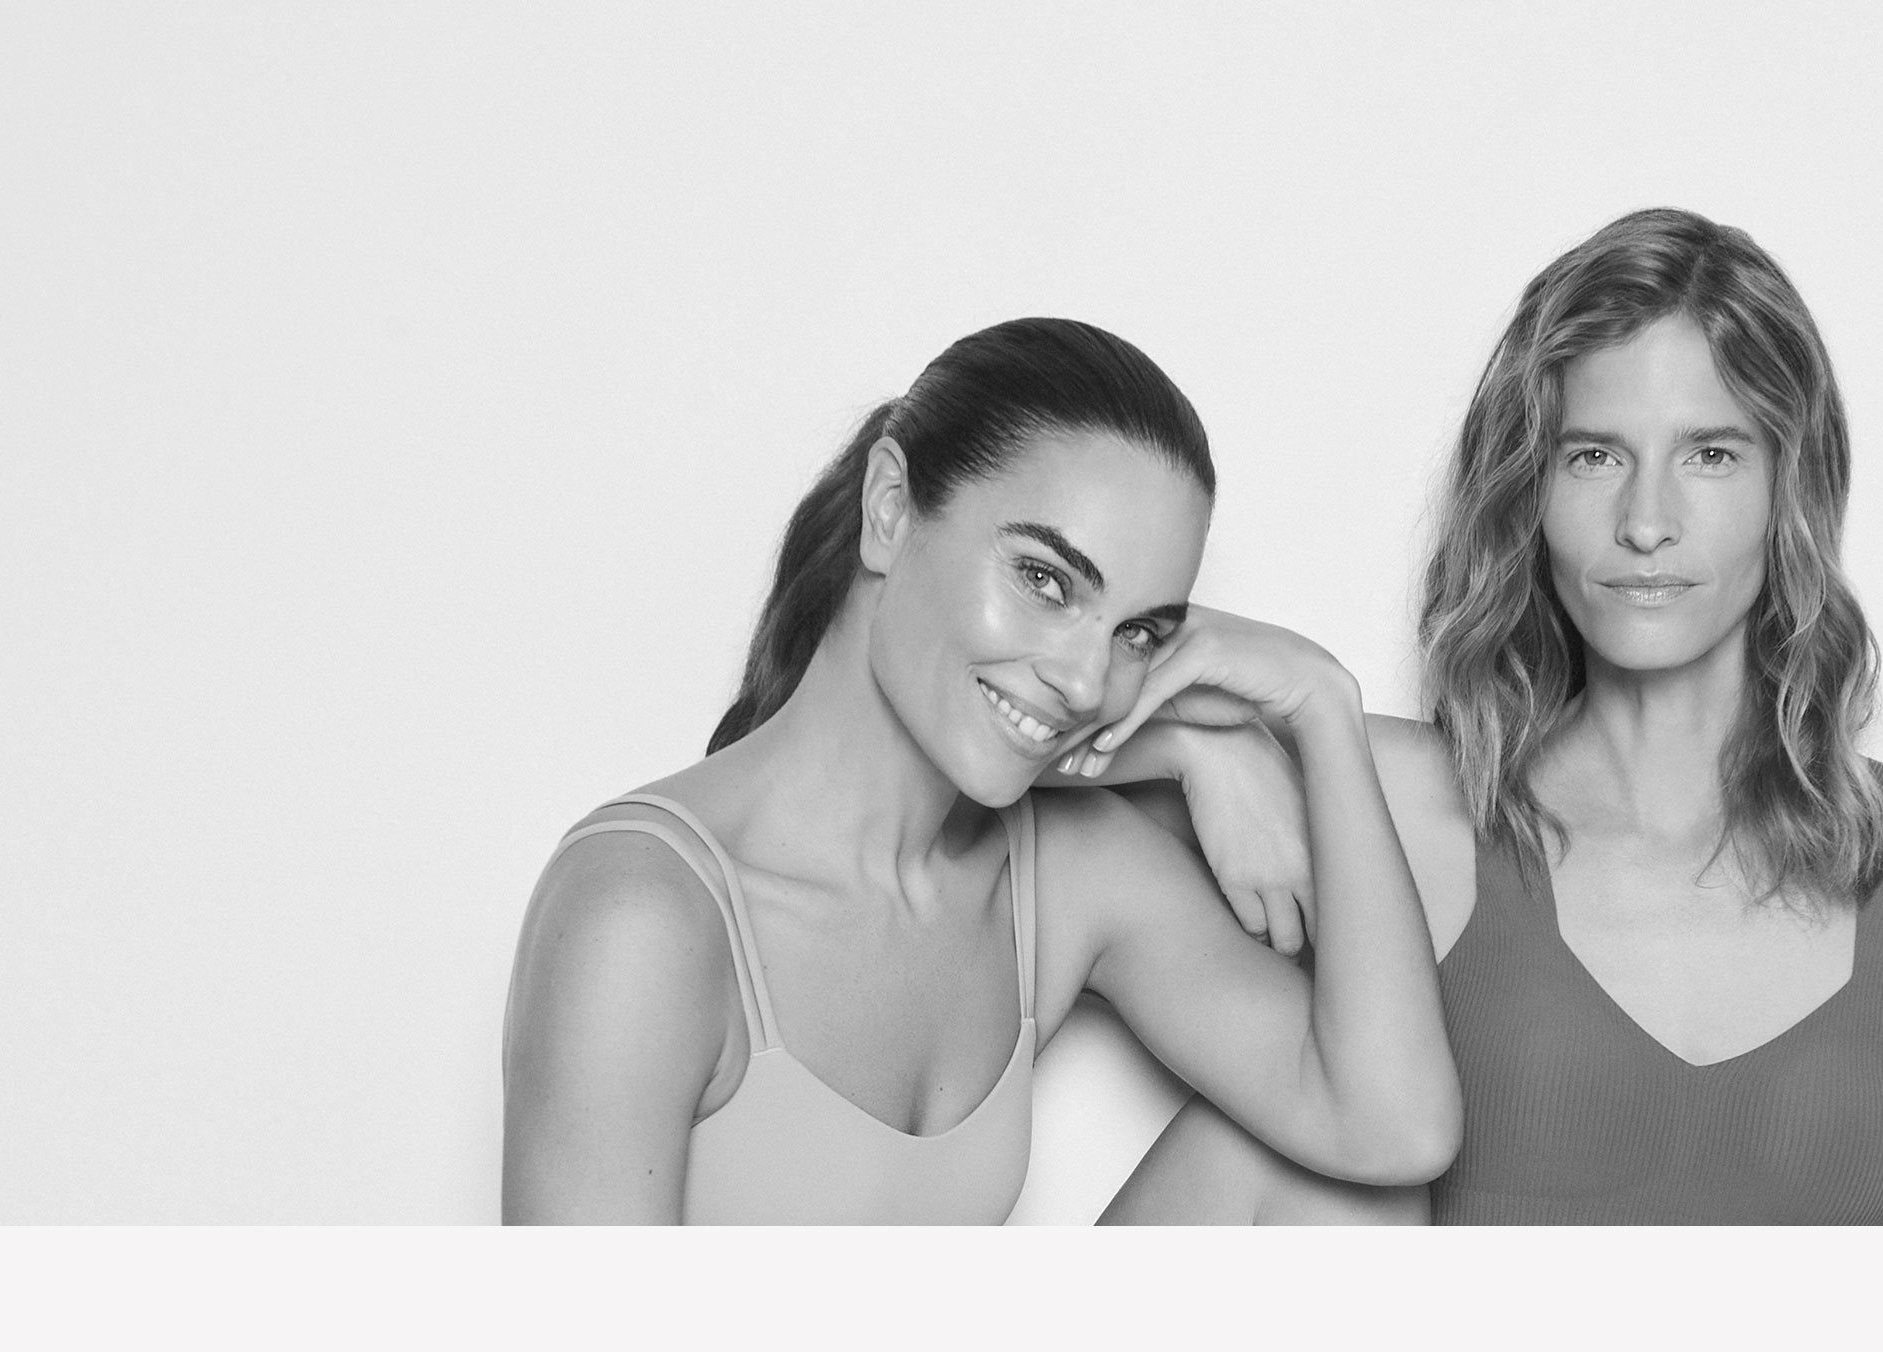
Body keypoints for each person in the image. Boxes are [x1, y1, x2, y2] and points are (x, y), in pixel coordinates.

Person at [1104, 210, 1883, 1224]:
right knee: (1269, 1154)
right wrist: (1214, 748)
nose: (1646, 523)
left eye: (1711, 454)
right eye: (1595, 456)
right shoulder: (1397, 803)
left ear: (1793, 487)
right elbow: (1013, 738)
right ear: (1530, 488)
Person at [499, 317, 1459, 1223]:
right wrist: (1190, 747)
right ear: (889, 509)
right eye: (1045, 580)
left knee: (1342, 1195)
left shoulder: (1061, 877)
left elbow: (1394, 1127)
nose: (1085, 681)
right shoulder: (644, 915)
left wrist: (1317, 710)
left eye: (1137, 633)